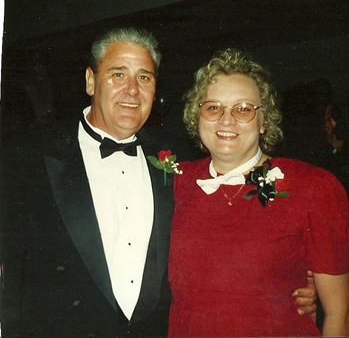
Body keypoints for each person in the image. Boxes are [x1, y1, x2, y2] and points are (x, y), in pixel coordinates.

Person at [1, 28, 317, 338]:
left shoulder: (175, 159)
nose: (132, 90)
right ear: (90, 81)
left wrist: (294, 278)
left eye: (144, 77)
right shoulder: (28, 157)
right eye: (118, 74)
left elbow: (222, 236)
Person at [168, 48, 349, 336]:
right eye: (213, 107)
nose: (226, 120)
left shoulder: (313, 187)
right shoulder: (176, 182)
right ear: (196, 116)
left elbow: (339, 315)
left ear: (264, 121)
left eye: (243, 109)